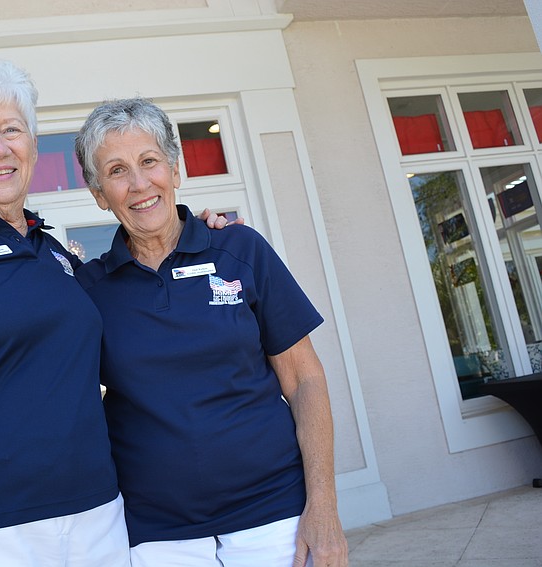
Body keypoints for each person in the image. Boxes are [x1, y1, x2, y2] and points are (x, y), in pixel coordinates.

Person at [0, 58, 231, 567]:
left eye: (11, 130)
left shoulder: (59, 256)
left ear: (32, 148)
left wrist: (201, 235)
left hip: (97, 518)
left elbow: (139, 304)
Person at [73, 97, 349, 567]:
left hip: (273, 512)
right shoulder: (91, 290)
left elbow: (306, 380)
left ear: (174, 170)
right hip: (157, 531)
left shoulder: (240, 250)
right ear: (100, 194)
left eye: (149, 161)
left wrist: (323, 508)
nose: (140, 184)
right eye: (117, 171)